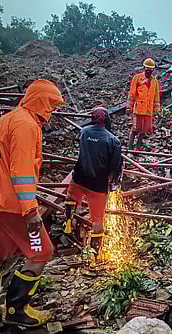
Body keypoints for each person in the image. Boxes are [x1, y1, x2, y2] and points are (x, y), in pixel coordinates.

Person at [0, 79, 65, 328]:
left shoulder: (7, 119)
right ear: (41, 101)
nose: (53, 110)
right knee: (41, 252)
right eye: (52, 104)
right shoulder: (27, 125)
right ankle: (17, 310)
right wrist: (30, 210)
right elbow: (22, 170)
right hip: (14, 205)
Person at [65, 106, 122, 256]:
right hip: (98, 185)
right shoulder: (113, 140)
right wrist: (114, 181)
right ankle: (95, 253)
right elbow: (115, 166)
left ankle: (69, 226)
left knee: (71, 200)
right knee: (97, 220)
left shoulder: (84, 132)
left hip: (79, 177)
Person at [127, 58, 161, 150]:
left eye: (151, 69)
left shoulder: (155, 81)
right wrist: (129, 106)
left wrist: (157, 110)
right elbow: (132, 93)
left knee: (144, 130)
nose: (149, 71)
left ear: (153, 70)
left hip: (148, 110)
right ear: (144, 68)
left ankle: (137, 147)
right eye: (147, 69)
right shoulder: (137, 78)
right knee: (134, 129)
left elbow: (156, 96)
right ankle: (129, 148)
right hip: (138, 108)